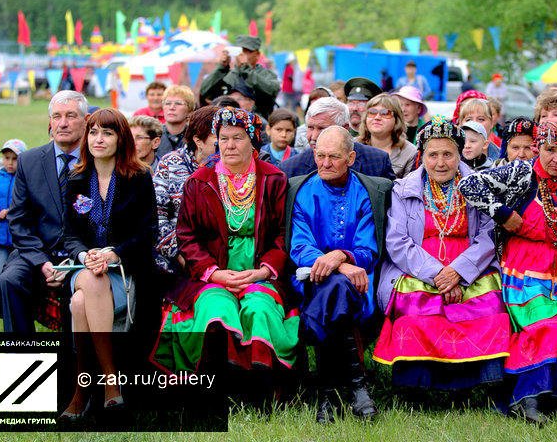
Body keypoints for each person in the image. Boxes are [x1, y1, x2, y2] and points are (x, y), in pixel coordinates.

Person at [460, 118, 557, 423]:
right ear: (538, 147)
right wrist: (504, 214)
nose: (556, 159)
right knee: (541, 316)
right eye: (549, 150)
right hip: (525, 260)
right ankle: (527, 396)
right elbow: (469, 184)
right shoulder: (521, 172)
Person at [152, 107, 300, 385]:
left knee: (259, 308)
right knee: (215, 308)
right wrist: (213, 272)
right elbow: (187, 236)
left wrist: (263, 272)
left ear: (253, 140)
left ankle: (260, 387)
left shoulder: (273, 179)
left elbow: (283, 234)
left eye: (238, 138)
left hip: (259, 273)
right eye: (223, 138)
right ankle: (216, 382)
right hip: (213, 273)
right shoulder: (199, 182)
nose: (229, 145)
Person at [373, 117, 510, 392]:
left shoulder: (479, 186)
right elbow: (397, 242)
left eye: (448, 154)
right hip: (418, 269)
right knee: (416, 308)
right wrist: (438, 275)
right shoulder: (403, 189)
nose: (440, 162)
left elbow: (488, 236)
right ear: (422, 156)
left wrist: (458, 273)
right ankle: (417, 387)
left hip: (471, 269)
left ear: (460, 155)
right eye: (433, 155)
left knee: (489, 306)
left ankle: (483, 384)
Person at [285, 126, 392, 423]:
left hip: (360, 282)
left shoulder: (367, 192)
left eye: (333, 156)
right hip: (310, 279)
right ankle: (358, 387)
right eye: (320, 155)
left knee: (338, 290)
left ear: (351, 158)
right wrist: (339, 261)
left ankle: (327, 393)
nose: (325, 163)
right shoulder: (301, 190)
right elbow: (300, 246)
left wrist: (344, 259)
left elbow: (369, 249)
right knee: (334, 287)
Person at [60, 108, 156, 418]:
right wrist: (84, 255)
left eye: (108, 133)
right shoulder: (76, 178)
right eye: (93, 132)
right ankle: (110, 382)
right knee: (89, 279)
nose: (98, 139)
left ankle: (80, 389)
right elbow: (69, 234)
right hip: (84, 267)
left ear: (121, 138)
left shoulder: (138, 177)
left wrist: (113, 253)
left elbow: (148, 233)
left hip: (124, 267)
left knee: (78, 303)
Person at [0, 91, 88, 333]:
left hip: (82, 255)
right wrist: (42, 262)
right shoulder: (29, 160)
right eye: (56, 116)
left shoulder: (97, 160)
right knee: (9, 280)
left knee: (79, 293)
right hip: (37, 251)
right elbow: (18, 221)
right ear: (50, 122)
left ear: (86, 121)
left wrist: (75, 261)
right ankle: (23, 358)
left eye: (70, 116)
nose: (63, 123)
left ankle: (78, 360)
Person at [152, 105, 220, 277]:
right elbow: (157, 216)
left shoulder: (230, 166)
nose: (227, 143)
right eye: (219, 137)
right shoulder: (171, 163)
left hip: (220, 255)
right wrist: (180, 253)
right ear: (198, 140)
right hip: (176, 256)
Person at [279, 97, 395, 181]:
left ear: (345, 129)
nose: (313, 137)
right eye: (310, 127)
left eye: (322, 129)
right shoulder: (291, 169)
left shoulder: (377, 162)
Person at [0, 139, 26, 276]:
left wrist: (13, 212)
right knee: (1, 268)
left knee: (17, 271)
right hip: (1, 235)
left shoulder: (25, 179)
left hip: (19, 237)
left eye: (15, 159)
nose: (10, 162)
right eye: (7, 158)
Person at [357, 94, 417, 178]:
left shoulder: (410, 152)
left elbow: (409, 188)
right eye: (372, 112)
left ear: (396, 120)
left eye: (385, 113)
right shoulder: (351, 145)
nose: (377, 117)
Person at [155, 85, 195, 160]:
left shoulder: (195, 137)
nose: (171, 107)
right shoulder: (153, 135)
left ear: (190, 111)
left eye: (178, 103)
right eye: (167, 103)